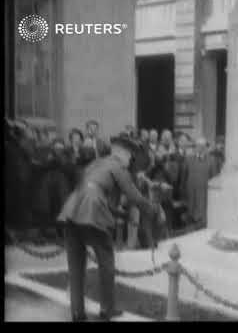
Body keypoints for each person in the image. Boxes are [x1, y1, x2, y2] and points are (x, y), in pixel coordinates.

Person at [57, 135, 165, 321]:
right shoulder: (118, 167)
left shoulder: (96, 164)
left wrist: (122, 215)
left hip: (71, 209)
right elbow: (134, 196)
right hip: (92, 212)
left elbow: (94, 193)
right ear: (123, 153)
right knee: (106, 261)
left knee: (75, 266)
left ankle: (77, 313)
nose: (131, 160)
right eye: (131, 156)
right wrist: (152, 210)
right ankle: (107, 309)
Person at [183, 137, 219, 229]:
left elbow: (214, 179)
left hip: (204, 193)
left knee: (202, 218)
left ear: (206, 148)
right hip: (191, 193)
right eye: (198, 146)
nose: (200, 148)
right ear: (195, 147)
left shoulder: (212, 160)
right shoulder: (188, 159)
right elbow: (184, 176)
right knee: (190, 218)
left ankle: (202, 226)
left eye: (202, 146)